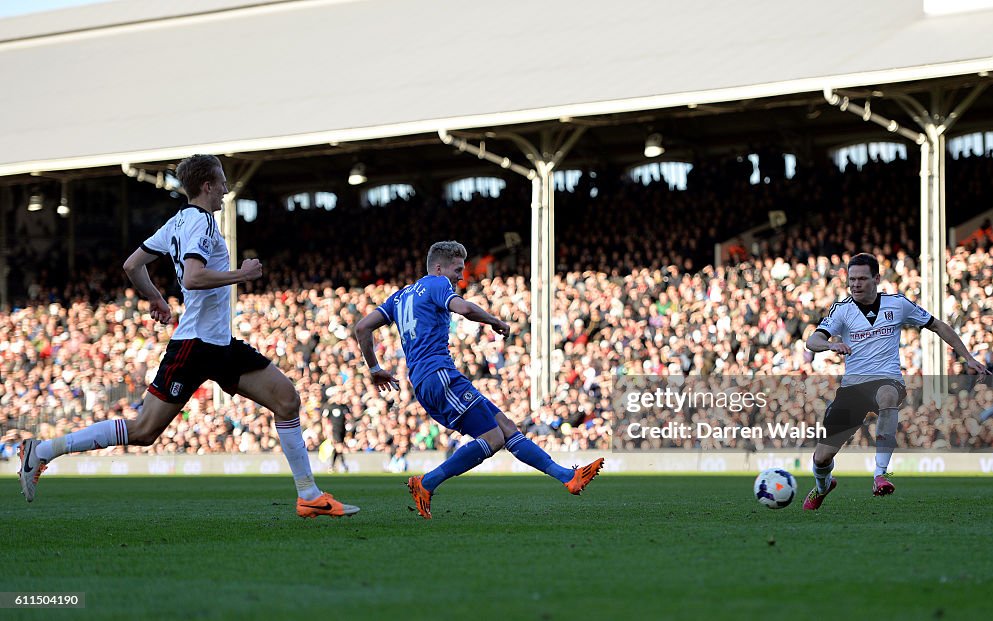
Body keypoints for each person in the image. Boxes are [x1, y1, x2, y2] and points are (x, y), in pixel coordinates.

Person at [17, 154, 358, 519]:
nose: (227, 188)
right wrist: (241, 276)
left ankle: (309, 494)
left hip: (218, 344)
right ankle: (42, 451)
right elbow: (193, 277)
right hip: (194, 345)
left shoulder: (178, 221)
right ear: (207, 186)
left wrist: (157, 298)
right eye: (222, 182)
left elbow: (133, 265)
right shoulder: (202, 224)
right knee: (145, 430)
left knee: (287, 400)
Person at [354, 240, 603, 519]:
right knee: (493, 438)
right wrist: (495, 322)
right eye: (457, 269)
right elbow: (465, 309)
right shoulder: (437, 284)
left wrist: (375, 369)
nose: (461, 277)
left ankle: (568, 477)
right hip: (439, 375)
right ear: (438, 268)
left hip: (429, 379)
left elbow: (362, 327)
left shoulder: (399, 297)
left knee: (506, 427)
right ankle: (426, 483)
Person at [803, 252, 989, 510]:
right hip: (852, 389)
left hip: (888, 379)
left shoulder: (898, 304)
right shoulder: (842, 310)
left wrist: (967, 357)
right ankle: (823, 487)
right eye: (851, 279)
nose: (855, 284)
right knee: (822, 458)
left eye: (862, 279)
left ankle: (880, 474)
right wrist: (830, 344)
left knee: (887, 396)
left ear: (877, 278)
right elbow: (812, 341)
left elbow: (938, 326)